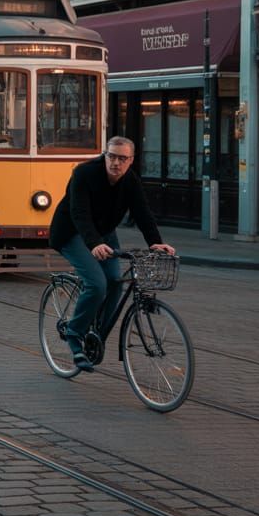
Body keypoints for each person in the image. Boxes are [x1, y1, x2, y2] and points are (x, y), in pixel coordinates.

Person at [49, 136, 176, 372]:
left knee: (115, 283)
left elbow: (142, 212)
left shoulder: (130, 181)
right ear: (105, 155)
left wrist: (155, 243)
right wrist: (94, 243)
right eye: (111, 156)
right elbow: (79, 213)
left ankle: (96, 334)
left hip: (104, 233)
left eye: (122, 158)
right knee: (97, 284)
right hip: (72, 233)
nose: (115, 162)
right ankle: (74, 333)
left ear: (131, 160)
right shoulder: (84, 173)